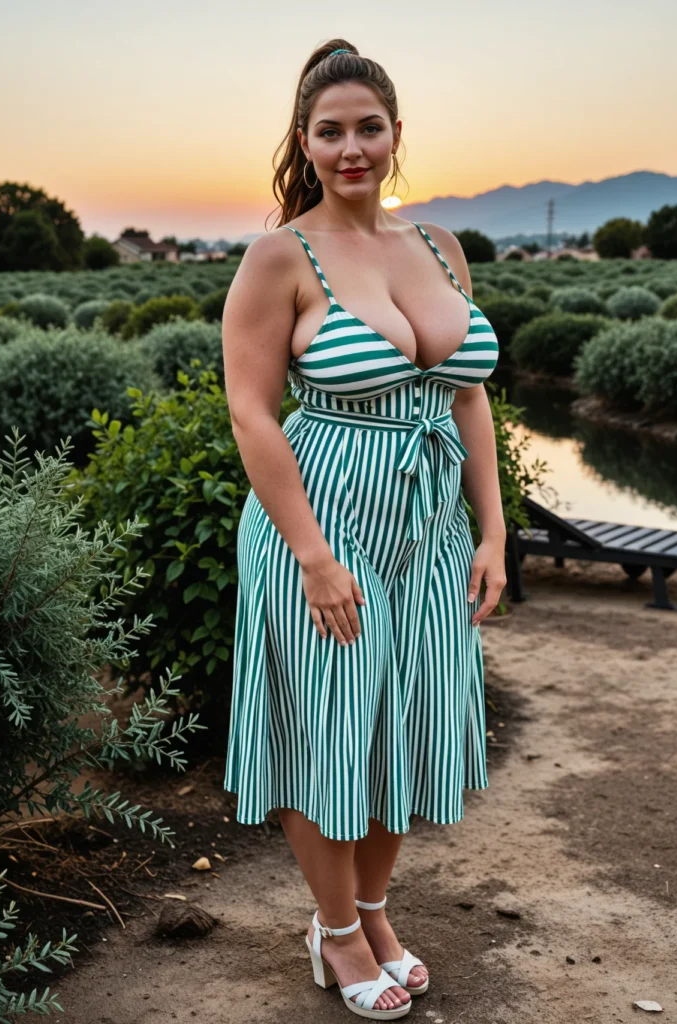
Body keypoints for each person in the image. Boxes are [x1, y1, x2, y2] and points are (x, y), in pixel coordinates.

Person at [222, 38, 505, 1019]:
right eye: (329, 130)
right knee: (326, 733)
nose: (352, 147)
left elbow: (465, 397)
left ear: (394, 135)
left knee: (409, 725)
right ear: (302, 142)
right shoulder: (277, 257)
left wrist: (492, 530)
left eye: (368, 127)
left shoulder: (436, 247)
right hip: (322, 524)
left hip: (426, 532)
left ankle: (372, 909)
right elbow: (251, 413)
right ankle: (335, 934)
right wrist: (309, 553)